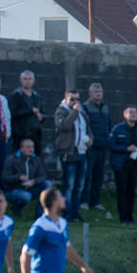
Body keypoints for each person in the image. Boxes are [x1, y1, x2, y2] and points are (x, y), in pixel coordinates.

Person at [53, 88, 88, 220]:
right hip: (68, 152)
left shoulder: (82, 112)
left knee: (79, 185)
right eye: (72, 99)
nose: (75, 102)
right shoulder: (61, 111)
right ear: (66, 98)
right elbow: (65, 126)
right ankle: (66, 212)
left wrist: (90, 138)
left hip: (82, 151)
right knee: (69, 185)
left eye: (77, 99)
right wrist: (75, 112)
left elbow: (87, 128)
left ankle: (75, 212)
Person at [109, 104, 137, 224]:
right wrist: (126, 148)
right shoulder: (117, 129)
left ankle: (130, 217)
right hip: (121, 164)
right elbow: (111, 145)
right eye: (131, 112)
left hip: (134, 164)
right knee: (122, 190)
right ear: (125, 115)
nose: (133, 115)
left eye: (135, 112)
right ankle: (123, 217)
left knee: (131, 190)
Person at [81, 82, 112, 217]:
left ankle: (95, 201)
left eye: (100, 92)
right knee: (87, 175)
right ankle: (83, 200)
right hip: (90, 147)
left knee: (98, 176)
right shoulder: (85, 107)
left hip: (102, 146)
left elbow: (108, 125)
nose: (98, 94)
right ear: (89, 93)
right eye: (95, 92)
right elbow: (84, 126)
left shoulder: (105, 107)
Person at [1, 139, 44, 215]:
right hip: (14, 189)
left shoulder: (36, 159)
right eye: (28, 147)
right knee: (26, 196)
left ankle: (39, 212)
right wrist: (18, 177)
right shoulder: (11, 160)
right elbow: (5, 177)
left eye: (32, 147)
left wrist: (34, 181)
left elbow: (43, 176)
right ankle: (16, 208)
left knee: (47, 185)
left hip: (31, 187)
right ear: (21, 149)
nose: (31, 149)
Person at [8, 71, 43, 154]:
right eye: (25, 79)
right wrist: (30, 111)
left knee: (35, 158)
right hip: (20, 134)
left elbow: (42, 111)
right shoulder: (16, 95)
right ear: (20, 80)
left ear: (33, 80)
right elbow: (13, 113)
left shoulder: (37, 96)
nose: (27, 81)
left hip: (35, 134)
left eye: (30, 79)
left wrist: (41, 117)